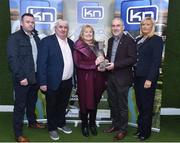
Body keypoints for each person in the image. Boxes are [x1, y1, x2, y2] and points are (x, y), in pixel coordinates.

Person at [7, 13, 45, 142]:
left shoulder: (36, 37)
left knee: (32, 102)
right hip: (23, 78)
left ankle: (32, 122)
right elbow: (13, 59)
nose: (31, 24)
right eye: (28, 22)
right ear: (22, 23)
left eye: (32, 22)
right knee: (20, 106)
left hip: (35, 77)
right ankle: (18, 134)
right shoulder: (15, 38)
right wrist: (21, 77)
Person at [37, 19, 74, 141]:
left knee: (63, 105)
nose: (63, 29)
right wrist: (42, 82)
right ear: (55, 28)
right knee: (52, 106)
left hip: (67, 81)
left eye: (65, 27)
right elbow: (41, 63)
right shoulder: (46, 42)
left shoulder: (71, 43)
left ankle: (61, 123)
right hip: (52, 81)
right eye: (60, 27)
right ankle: (52, 128)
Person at [104, 18, 136, 141]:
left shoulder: (129, 41)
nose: (115, 28)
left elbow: (132, 59)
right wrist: (106, 61)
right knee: (113, 104)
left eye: (118, 25)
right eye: (113, 25)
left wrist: (115, 65)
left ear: (123, 27)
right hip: (110, 76)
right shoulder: (111, 40)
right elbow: (110, 56)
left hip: (122, 78)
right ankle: (115, 125)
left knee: (122, 105)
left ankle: (123, 130)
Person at [133, 17, 163, 140]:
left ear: (152, 26)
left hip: (147, 78)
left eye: (148, 24)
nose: (145, 26)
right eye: (143, 24)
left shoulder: (157, 40)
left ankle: (146, 132)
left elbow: (156, 62)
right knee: (140, 105)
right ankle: (140, 129)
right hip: (137, 77)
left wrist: (149, 79)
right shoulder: (139, 39)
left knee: (146, 106)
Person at [73, 25, 106, 137]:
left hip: (98, 79)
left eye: (90, 32)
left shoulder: (98, 44)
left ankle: (92, 124)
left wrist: (103, 65)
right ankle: (84, 125)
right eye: (86, 32)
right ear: (82, 33)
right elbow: (78, 63)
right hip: (85, 80)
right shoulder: (77, 46)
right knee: (84, 103)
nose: (88, 34)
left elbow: (102, 59)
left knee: (95, 101)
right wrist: (94, 64)